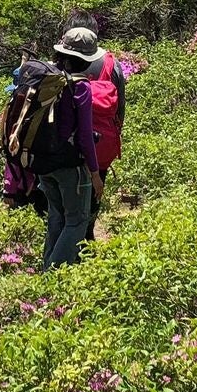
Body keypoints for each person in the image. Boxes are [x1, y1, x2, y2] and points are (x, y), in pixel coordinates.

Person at [54, 25, 128, 241]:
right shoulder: (112, 65)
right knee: (95, 191)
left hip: (65, 148)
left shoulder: (56, 70)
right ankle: (87, 236)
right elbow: (120, 107)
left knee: (65, 202)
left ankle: (63, 247)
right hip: (101, 143)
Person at [40, 33, 103, 266]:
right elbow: (85, 136)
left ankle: (48, 265)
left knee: (56, 216)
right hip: (69, 165)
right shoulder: (80, 87)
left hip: (42, 161)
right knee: (77, 221)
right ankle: (52, 275)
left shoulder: (47, 77)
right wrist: (95, 174)